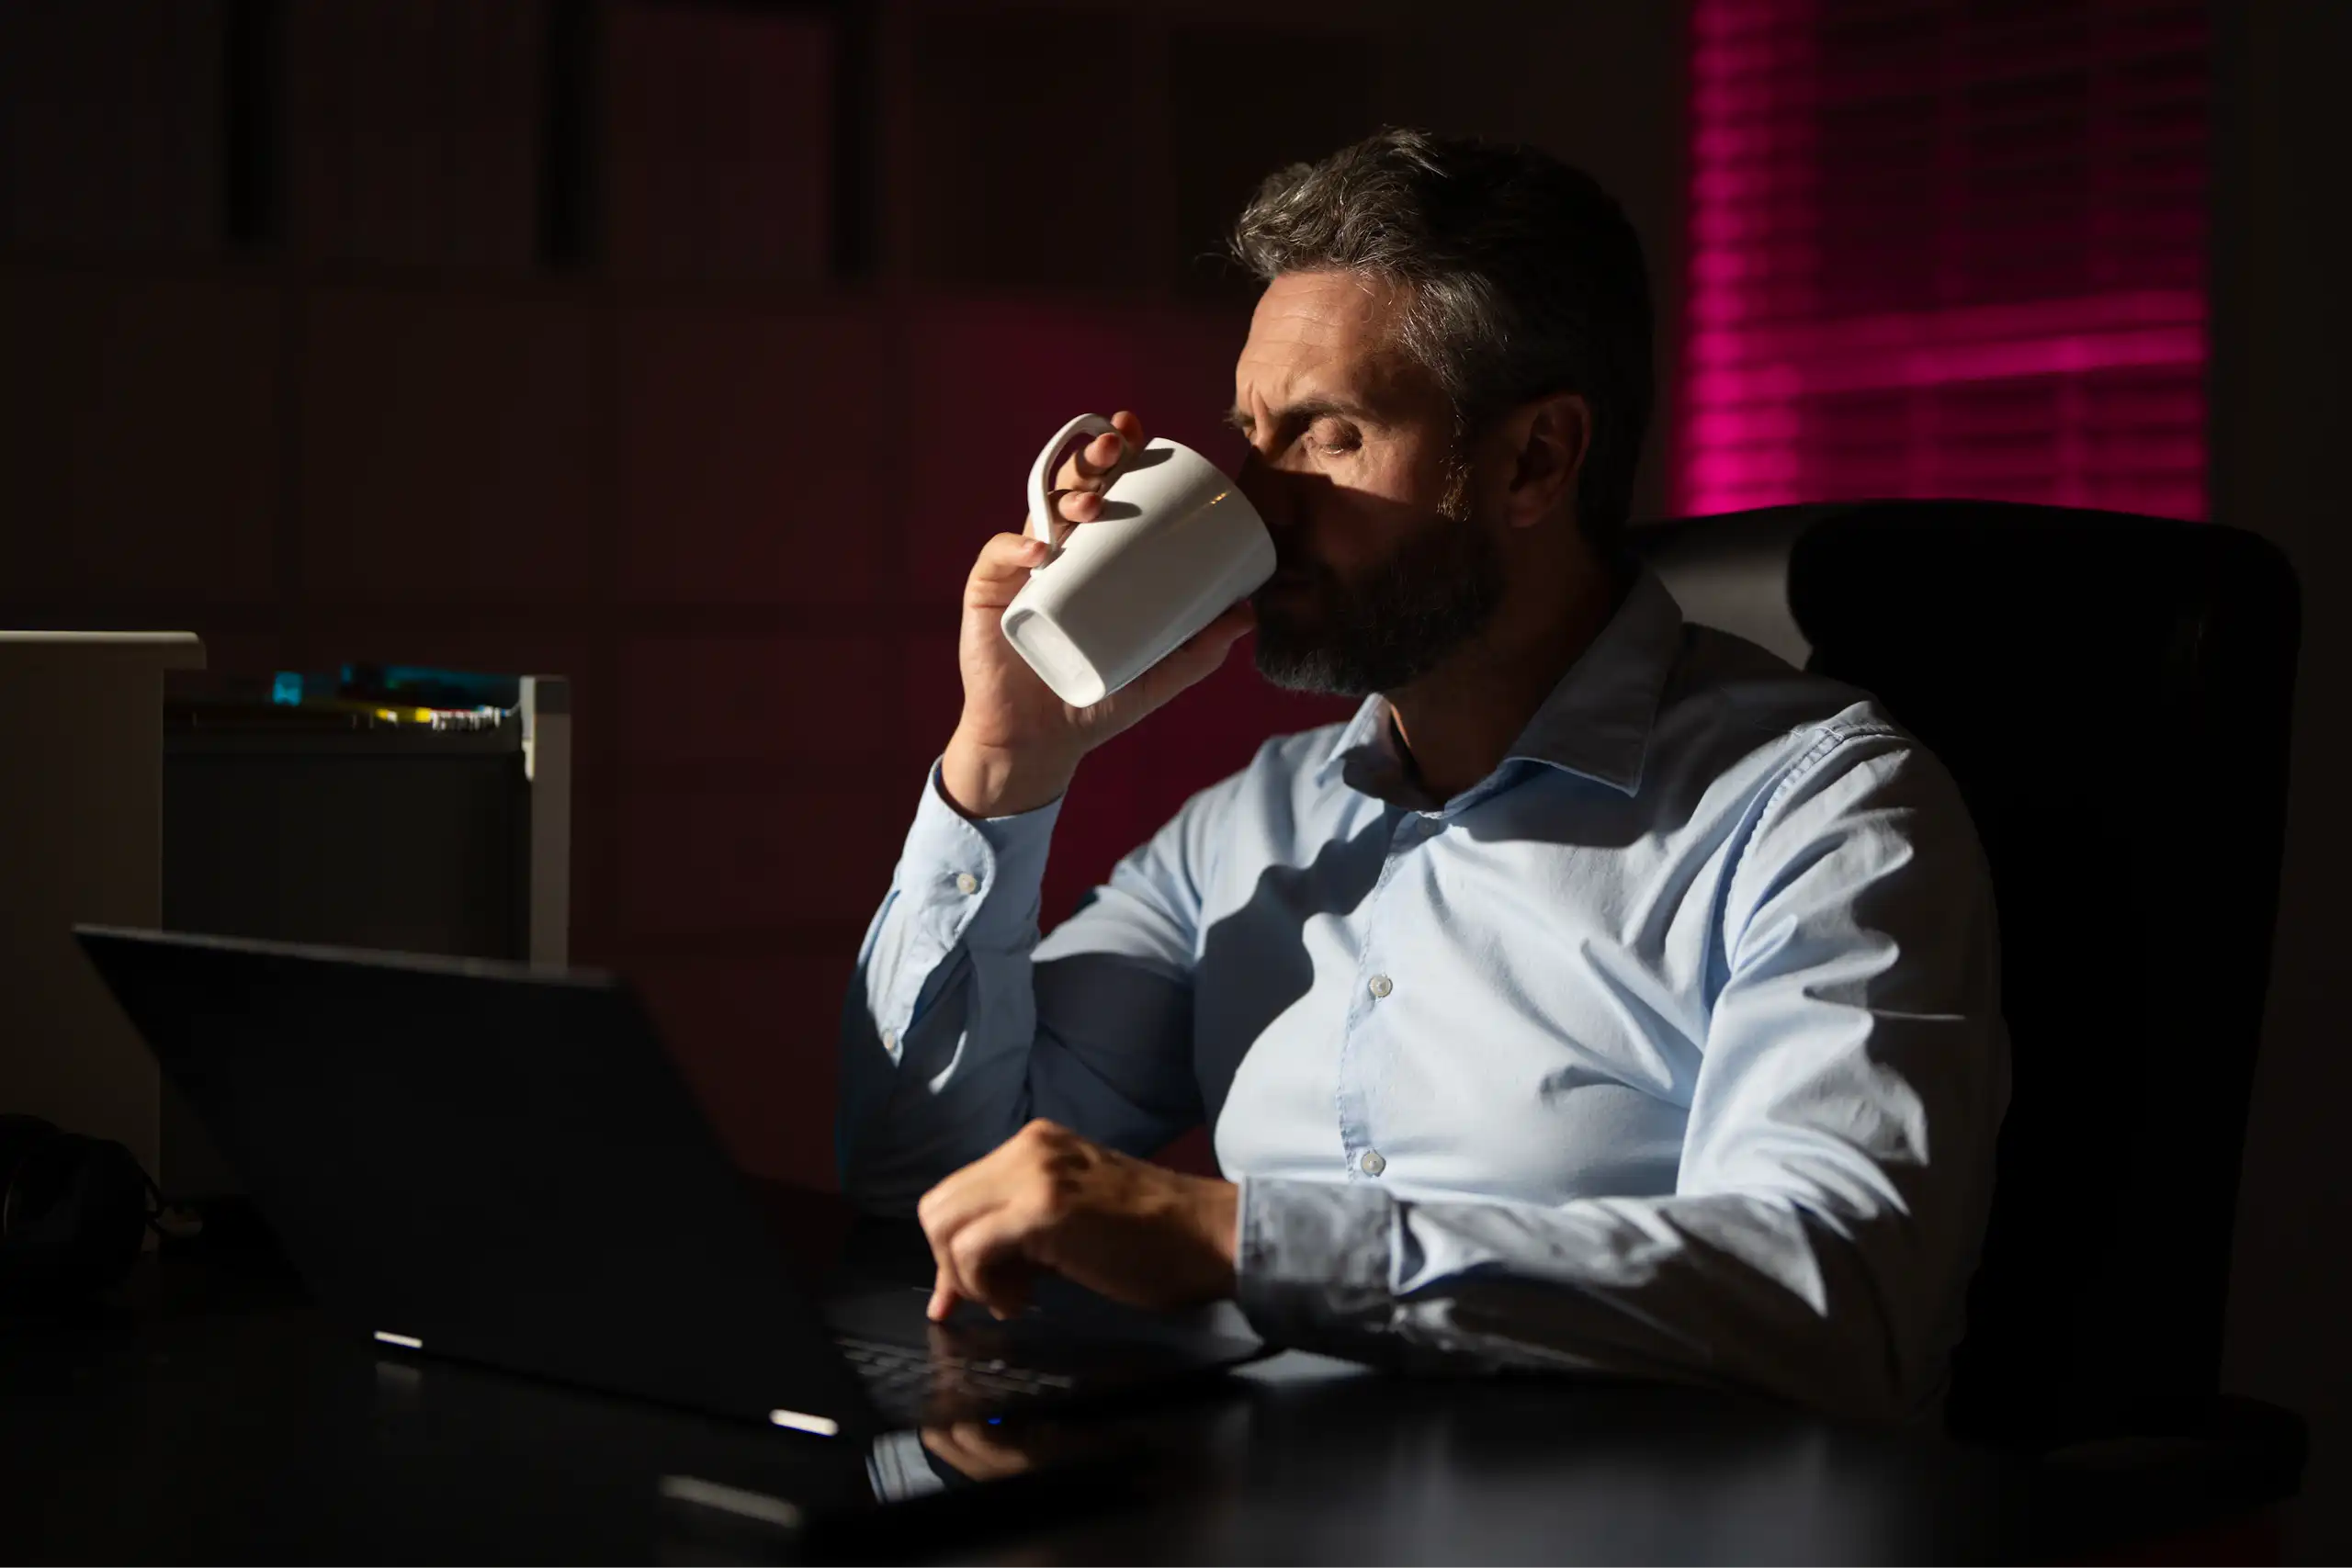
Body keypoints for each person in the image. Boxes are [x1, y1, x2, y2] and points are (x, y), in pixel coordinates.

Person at [835, 129, 2008, 1424]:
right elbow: (919, 1177)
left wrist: (1243, 1243)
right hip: (1259, 1497)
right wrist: (1003, 759)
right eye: (1248, 435)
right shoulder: (1253, 828)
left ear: (1534, 463)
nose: (1259, 502)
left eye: (1327, 434)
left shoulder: (1820, 812)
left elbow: (1838, 1300)